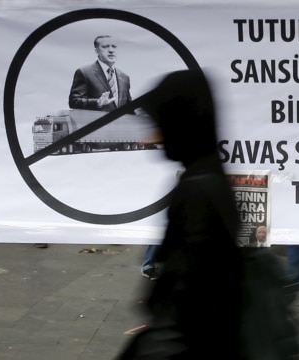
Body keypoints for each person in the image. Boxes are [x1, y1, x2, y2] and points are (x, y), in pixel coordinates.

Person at [117, 70, 245, 359]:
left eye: (162, 123)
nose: (156, 137)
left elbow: (188, 296)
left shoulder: (196, 192)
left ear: (182, 124)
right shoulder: (211, 178)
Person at [69, 35, 132, 112]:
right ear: (97, 51)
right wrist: (97, 102)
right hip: (97, 123)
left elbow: (129, 107)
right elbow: (74, 102)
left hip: (121, 123)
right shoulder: (84, 72)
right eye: (105, 47)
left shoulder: (124, 77)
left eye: (114, 46)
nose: (111, 50)